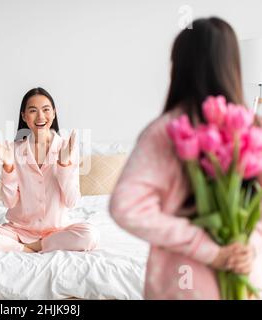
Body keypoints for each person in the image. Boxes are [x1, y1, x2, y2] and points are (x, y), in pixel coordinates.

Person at [109, 17, 262, 299]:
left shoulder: (167, 131)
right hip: (242, 281)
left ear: (179, 67)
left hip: (182, 286)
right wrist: (246, 250)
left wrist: (212, 250)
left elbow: (125, 206)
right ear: (232, 65)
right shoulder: (250, 127)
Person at [0, 87, 99, 253]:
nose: (40, 116)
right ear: (24, 116)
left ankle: (35, 247)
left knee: (89, 236)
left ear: (54, 113)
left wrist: (63, 164)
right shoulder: (12, 150)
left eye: (46, 110)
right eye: (33, 111)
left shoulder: (67, 147)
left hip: (57, 231)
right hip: (18, 232)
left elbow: (72, 201)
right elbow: (8, 202)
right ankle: (25, 248)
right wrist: (8, 166)